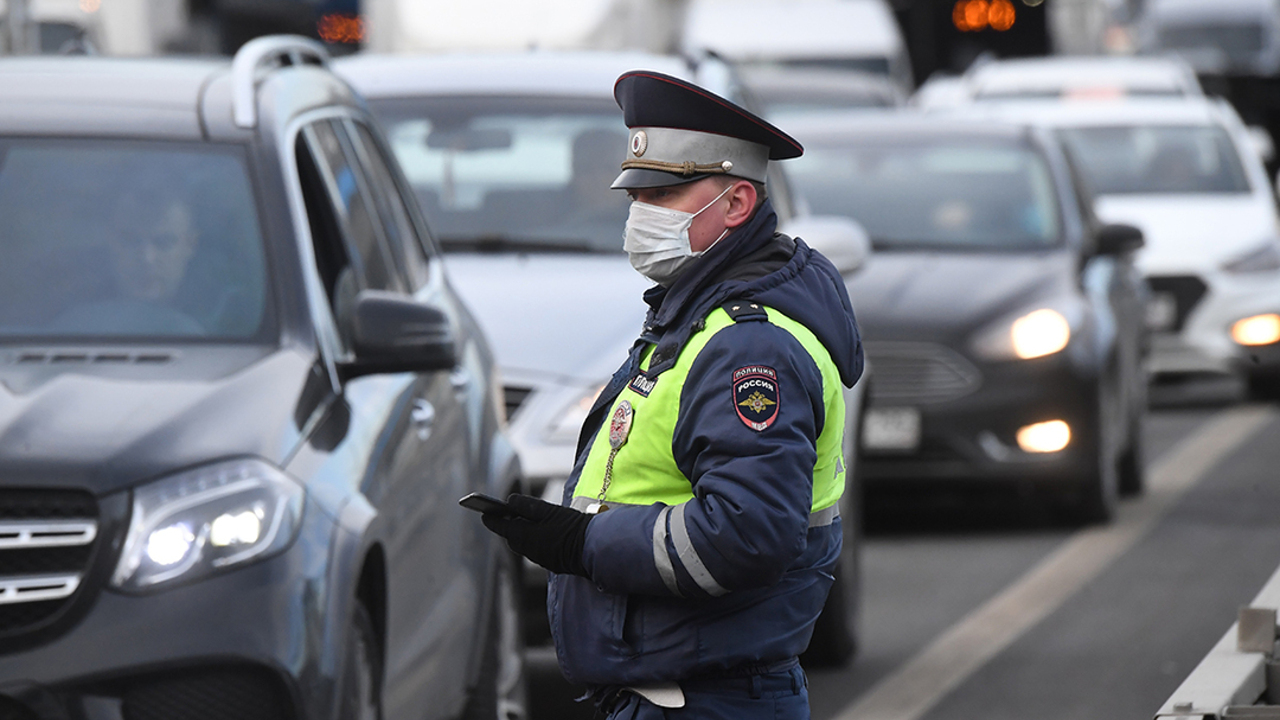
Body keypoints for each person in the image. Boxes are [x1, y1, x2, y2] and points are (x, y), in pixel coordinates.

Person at [479, 71, 863, 720]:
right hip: (678, 695)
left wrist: (583, 543)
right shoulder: (695, 317)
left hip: (707, 701)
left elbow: (748, 534)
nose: (641, 214)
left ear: (738, 204)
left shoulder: (751, 348)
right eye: (637, 196)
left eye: (665, 193)